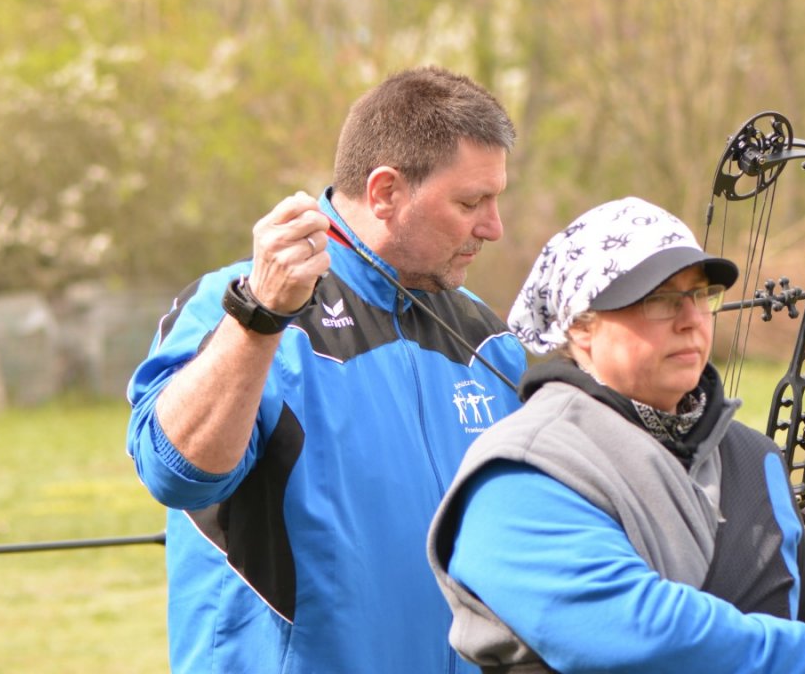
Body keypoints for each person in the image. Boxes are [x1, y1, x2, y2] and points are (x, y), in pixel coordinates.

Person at [127, 66, 528, 673]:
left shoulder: (488, 340)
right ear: (385, 191)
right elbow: (174, 472)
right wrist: (257, 317)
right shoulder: (235, 304)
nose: (493, 228)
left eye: (495, 200)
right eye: (470, 202)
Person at [427, 196, 805, 674]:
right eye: (659, 300)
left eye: (700, 295)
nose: (691, 319)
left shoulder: (752, 458)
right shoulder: (521, 471)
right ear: (581, 327)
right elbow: (631, 633)